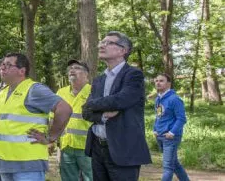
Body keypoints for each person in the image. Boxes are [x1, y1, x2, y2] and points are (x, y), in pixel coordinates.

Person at [82, 31, 151, 180]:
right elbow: (85, 112)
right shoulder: (98, 80)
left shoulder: (133, 75)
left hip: (123, 149)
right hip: (97, 148)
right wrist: (103, 115)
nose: (102, 45)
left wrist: (91, 104)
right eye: (102, 42)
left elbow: (121, 100)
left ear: (123, 50)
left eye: (108, 42)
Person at [0, 52, 72, 181]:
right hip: (5, 164)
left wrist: (51, 137)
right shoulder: (3, 92)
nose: (2, 67)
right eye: (2, 64)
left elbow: (64, 109)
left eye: (8, 65)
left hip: (28, 165)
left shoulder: (34, 90)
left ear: (21, 71)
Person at [54, 60, 93, 181]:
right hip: (67, 147)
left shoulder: (94, 92)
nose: (72, 70)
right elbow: (55, 119)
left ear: (86, 75)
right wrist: (57, 145)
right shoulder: (61, 92)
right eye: (70, 68)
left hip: (89, 148)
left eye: (77, 68)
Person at [153, 73, 190, 181]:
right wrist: (155, 129)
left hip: (170, 137)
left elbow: (181, 118)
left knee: (168, 167)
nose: (158, 83)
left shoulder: (175, 99)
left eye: (161, 81)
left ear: (168, 83)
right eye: (156, 81)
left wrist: (172, 133)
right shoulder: (158, 99)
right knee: (174, 164)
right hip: (160, 136)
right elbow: (158, 116)